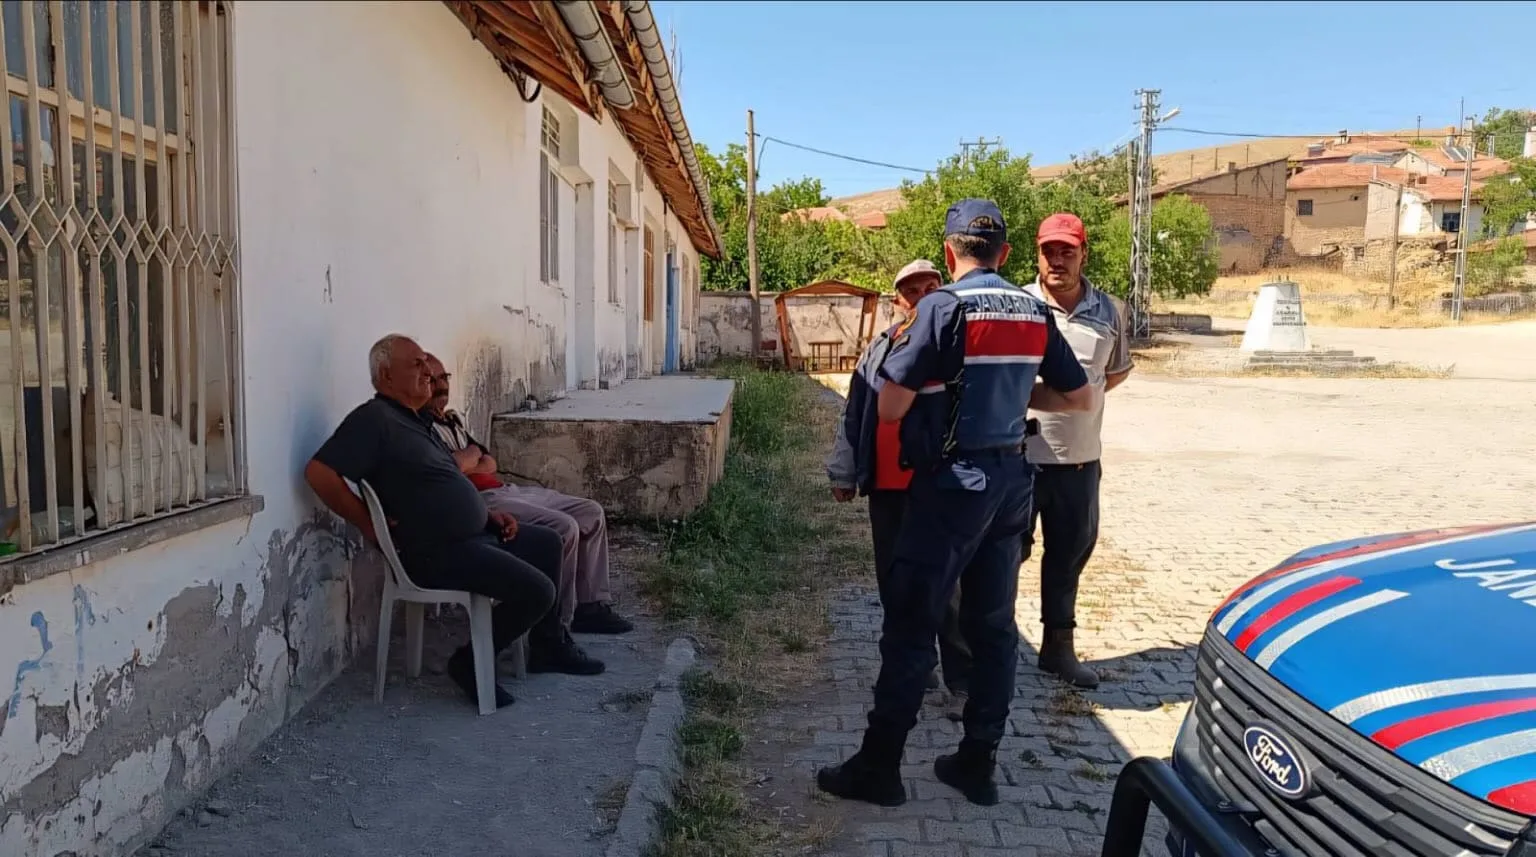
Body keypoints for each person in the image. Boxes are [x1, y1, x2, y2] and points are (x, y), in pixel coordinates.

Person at [816, 200, 1095, 808]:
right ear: (1006, 254)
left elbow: (891, 405)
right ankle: (977, 763)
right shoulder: (1033, 311)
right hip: (1011, 482)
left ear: (949, 252)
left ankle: (880, 767)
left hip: (950, 486)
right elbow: (1080, 399)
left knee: (912, 621)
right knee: (993, 627)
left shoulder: (943, 308)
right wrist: (1016, 393)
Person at [303, 334, 564, 709]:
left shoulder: (416, 422)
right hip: (434, 552)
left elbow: (444, 482)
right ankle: (468, 663)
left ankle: (550, 646)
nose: (428, 371)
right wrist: (367, 522)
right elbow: (319, 473)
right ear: (386, 375)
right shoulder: (373, 420)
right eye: (417, 364)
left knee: (548, 543)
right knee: (538, 590)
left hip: (471, 538)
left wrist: (488, 517)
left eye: (427, 363)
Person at [825, 259, 972, 704]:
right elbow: (856, 412)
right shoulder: (881, 347)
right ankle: (912, 670)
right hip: (887, 487)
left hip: (941, 485)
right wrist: (844, 470)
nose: (922, 297)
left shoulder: (960, 345)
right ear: (898, 301)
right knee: (895, 582)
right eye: (912, 291)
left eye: (930, 288)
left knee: (947, 585)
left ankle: (963, 680)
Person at [421, 352, 635, 647]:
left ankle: (591, 605)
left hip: (505, 489)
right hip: (481, 500)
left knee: (591, 512)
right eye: (432, 380)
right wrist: (470, 458)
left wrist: (469, 458)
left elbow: (489, 462)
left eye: (444, 377)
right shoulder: (422, 428)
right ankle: (557, 627)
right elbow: (451, 470)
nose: (441, 386)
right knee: (564, 527)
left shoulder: (452, 420)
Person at [1022, 213, 1134, 689]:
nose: (1057, 260)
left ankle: (1058, 650)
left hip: (1080, 462)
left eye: (1067, 251)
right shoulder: (1019, 305)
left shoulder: (1111, 310)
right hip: (1020, 461)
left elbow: (1115, 371)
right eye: (1049, 251)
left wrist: (1080, 398)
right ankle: (986, 652)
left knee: (1068, 558)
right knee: (1002, 559)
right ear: (1036, 255)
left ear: (1083, 254)